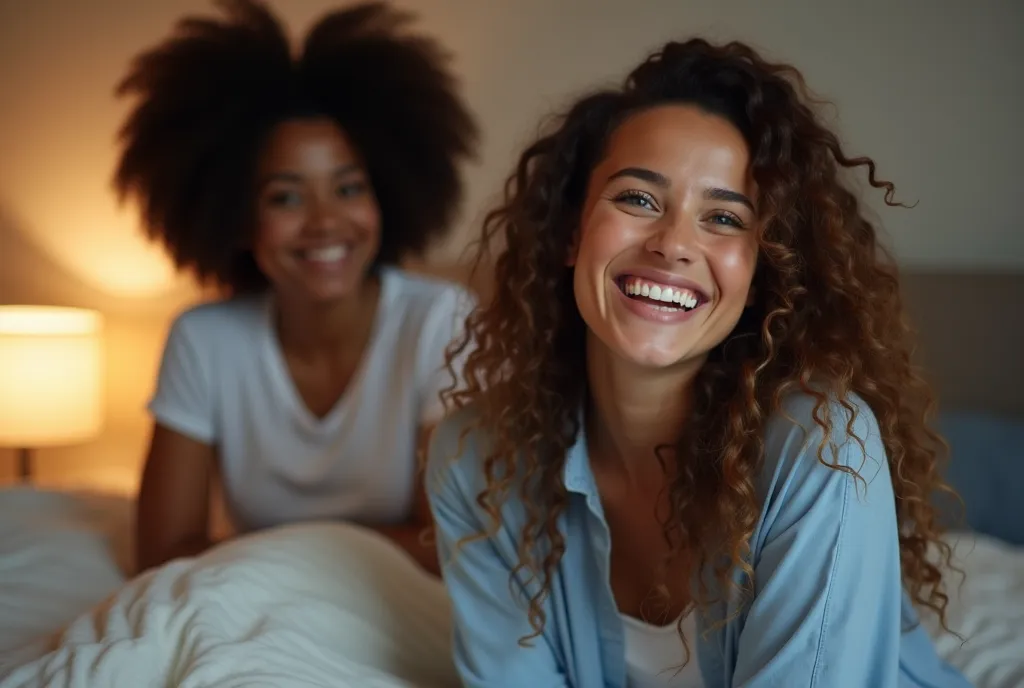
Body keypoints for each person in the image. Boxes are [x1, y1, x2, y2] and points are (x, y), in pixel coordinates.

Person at [426, 38, 971, 687]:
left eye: (722, 217)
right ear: (571, 234)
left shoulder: (825, 449)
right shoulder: (476, 461)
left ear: (763, 271)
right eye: (638, 199)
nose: (674, 245)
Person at [118, 0, 478, 575]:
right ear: (235, 217)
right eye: (285, 196)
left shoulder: (439, 321)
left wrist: (269, 554)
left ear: (387, 193)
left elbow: (449, 544)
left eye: (349, 188)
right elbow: (161, 554)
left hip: (390, 610)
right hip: (251, 612)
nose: (325, 222)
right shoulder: (203, 339)